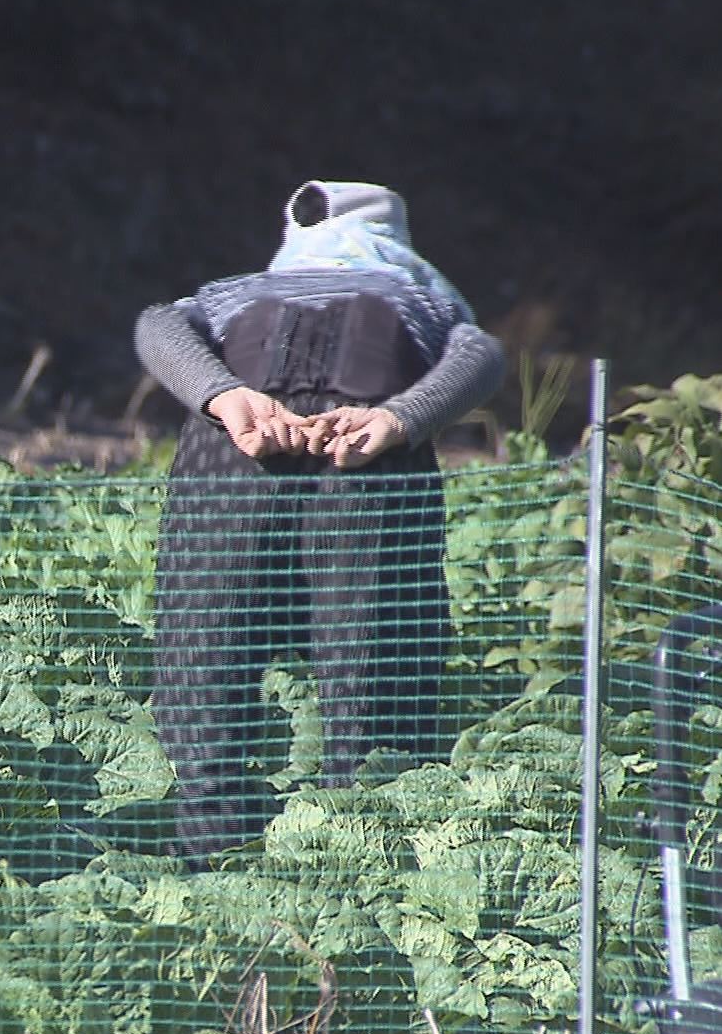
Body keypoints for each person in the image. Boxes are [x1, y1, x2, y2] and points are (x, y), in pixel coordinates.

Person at [134, 180, 506, 864]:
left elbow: (157, 325)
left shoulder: (236, 292)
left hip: (233, 464)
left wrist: (226, 396)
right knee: (376, 692)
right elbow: (479, 357)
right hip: (364, 468)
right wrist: (399, 418)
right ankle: (362, 880)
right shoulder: (420, 297)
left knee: (205, 673)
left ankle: (210, 876)